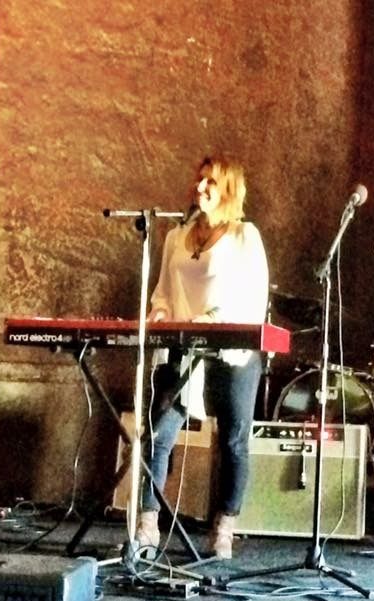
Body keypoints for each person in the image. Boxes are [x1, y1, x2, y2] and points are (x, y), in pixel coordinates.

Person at [138, 156, 269, 559]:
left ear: (229, 189)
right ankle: (147, 524)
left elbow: (255, 296)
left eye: (211, 181)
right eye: (199, 179)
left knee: (233, 441)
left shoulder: (245, 236)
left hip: (232, 353)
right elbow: (163, 291)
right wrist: (161, 313)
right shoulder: (176, 235)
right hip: (182, 348)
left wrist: (213, 319)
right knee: (158, 434)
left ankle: (224, 528)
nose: (200, 188)